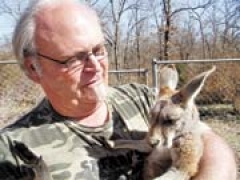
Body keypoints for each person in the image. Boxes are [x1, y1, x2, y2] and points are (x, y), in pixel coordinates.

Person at [0, 0, 237, 179]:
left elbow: (211, 144)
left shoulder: (143, 99)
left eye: (99, 50)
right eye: (73, 59)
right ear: (33, 68)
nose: (96, 66)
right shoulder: (12, 150)